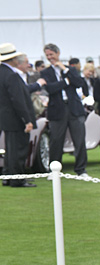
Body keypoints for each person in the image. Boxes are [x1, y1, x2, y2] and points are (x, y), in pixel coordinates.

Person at [41, 43, 89, 176]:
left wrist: (65, 70)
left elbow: (79, 83)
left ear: (58, 53)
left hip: (74, 108)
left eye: (52, 54)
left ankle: (81, 170)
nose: (50, 57)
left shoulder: (70, 70)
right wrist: (66, 82)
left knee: (79, 140)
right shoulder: (45, 72)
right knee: (56, 140)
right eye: (47, 55)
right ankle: (54, 170)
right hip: (57, 110)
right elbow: (50, 88)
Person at [1, 44, 37, 188]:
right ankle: (18, 179)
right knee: (19, 150)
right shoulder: (12, 75)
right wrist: (27, 119)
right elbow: (18, 100)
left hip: (6, 118)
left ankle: (8, 176)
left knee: (10, 150)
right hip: (15, 118)